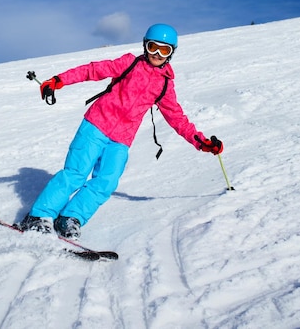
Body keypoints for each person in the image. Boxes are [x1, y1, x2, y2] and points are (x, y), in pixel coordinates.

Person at [15, 24, 223, 239]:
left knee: (106, 182)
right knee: (76, 173)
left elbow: (177, 118)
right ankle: (39, 216)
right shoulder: (129, 64)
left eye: (164, 50)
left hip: (122, 139)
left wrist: (201, 142)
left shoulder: (164, 85)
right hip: (96, 124)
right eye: (153, 47)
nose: (157, 54)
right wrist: (59, 80)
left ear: (171, 53)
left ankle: (70, 218)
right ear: (145, 45)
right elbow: (92, 70)